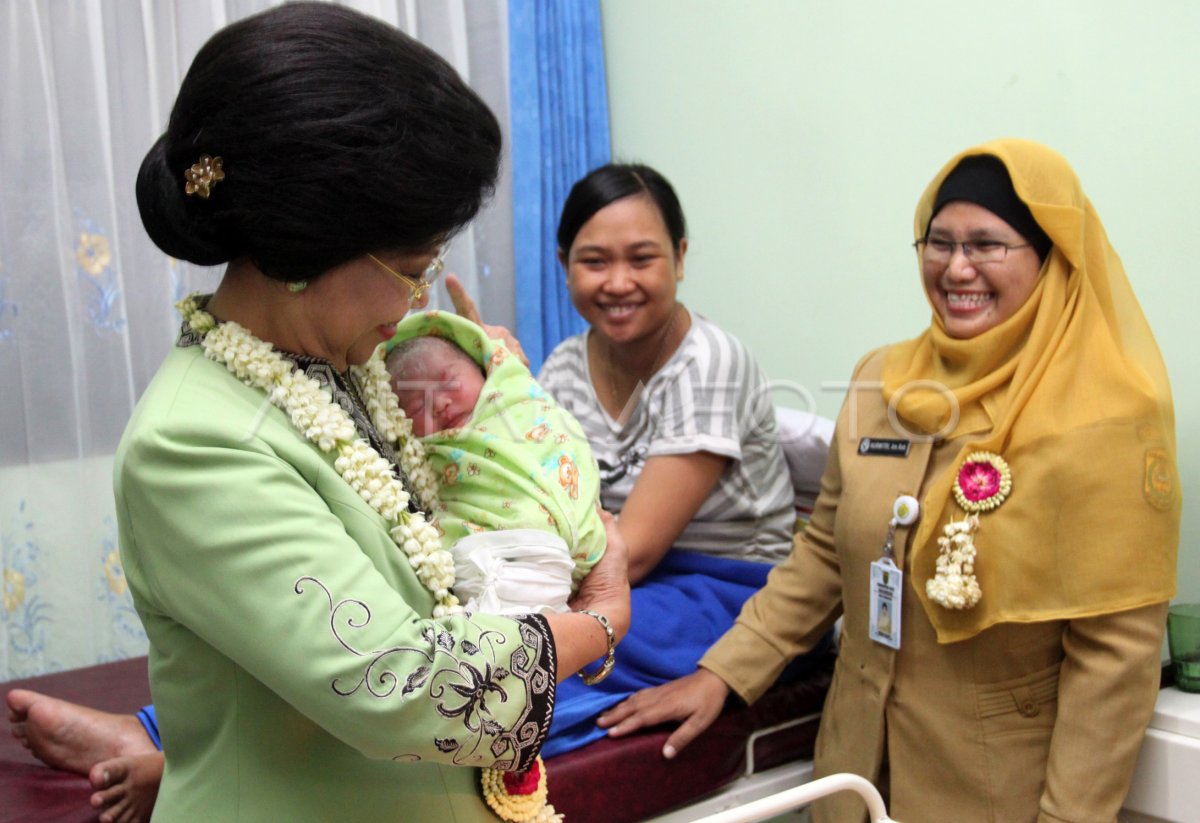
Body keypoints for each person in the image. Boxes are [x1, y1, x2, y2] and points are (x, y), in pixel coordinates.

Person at [8, 5, 631, 823]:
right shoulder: (192, 444)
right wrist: (600, 617)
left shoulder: (355, 368)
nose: (419, 298)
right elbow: (404, 687)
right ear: (300, 250)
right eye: (412, 267)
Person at [597, 139, 1181, 822]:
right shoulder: (885, 378)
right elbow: (822, 552)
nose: (957, 267)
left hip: (998, 791)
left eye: (988, 245)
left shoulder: (1108, 411)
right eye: (939, 242)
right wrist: (724, 672)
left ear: (1050, 256)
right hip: (853, 766)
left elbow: (1114, 658)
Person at [533, 163, 827, 757]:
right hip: (624, 583)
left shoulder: (708, 364)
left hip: (726, 587)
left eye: (642, 259)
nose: (619, 282)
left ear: (680, 257)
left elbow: (637, 551)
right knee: (510, 635)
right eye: (594, 262)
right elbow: (541, 505)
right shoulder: (563, 366)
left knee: (543, 650)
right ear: (563, 264)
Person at [386, 311, 607, 613]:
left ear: (481, 367)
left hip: (579, 545)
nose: (439, 403)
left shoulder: (519, 400)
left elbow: (559, 438)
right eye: (417, 405)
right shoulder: (423, 453)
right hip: (501, 557)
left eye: (448, 381)